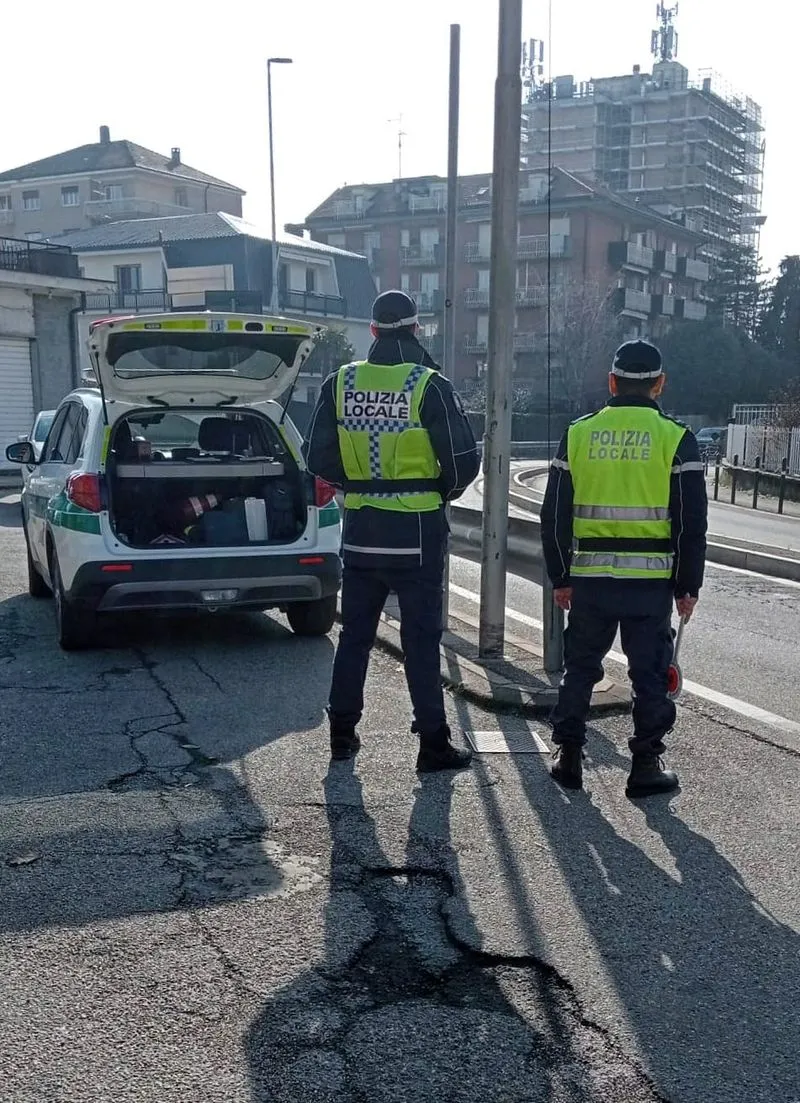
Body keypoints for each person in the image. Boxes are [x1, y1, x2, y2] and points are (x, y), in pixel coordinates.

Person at [303, 290, 480, 771]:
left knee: (356, 635)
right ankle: (432, 743)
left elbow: (315, 455)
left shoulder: (340, 383)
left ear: (374, 331)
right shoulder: (429, 385)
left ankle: (342, 734)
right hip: (418, 531)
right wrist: (441, 489)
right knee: (421, 640)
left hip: (361, 528)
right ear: (416, 329)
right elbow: (464, 461)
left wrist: (355, 482)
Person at [540, 339, 707, 797]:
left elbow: (553, 514)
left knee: (581, 667)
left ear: (611, 382)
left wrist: (561, 576)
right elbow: (691, 524)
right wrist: (687, 586)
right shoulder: (677, 438)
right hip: (650, 582)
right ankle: (646, 764)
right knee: (649, 673)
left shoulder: (578, 433)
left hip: (591, 579)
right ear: (660, 384)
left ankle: (569, 756)